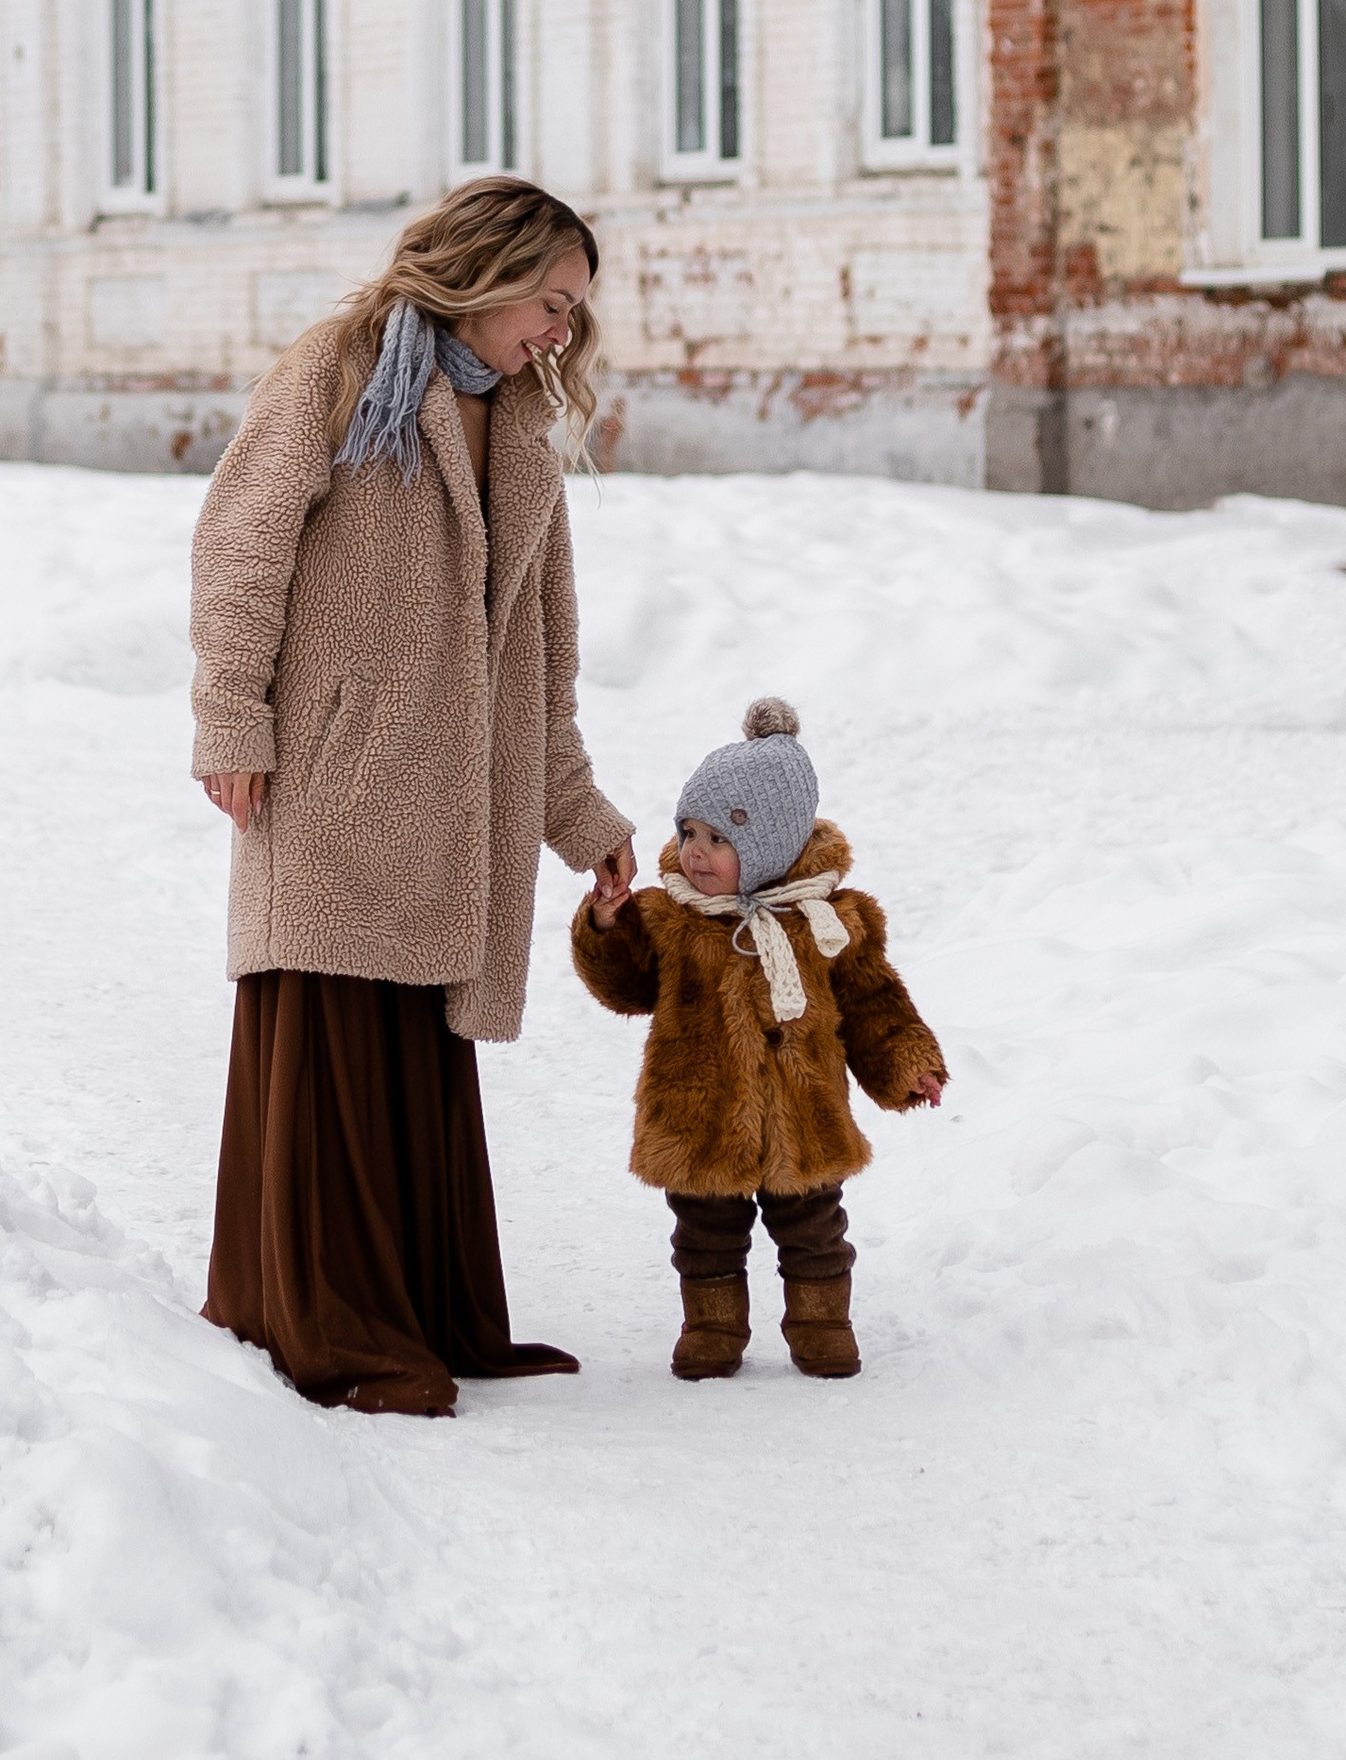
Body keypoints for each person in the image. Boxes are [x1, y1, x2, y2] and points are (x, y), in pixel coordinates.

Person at [190, 179, 635, 1417]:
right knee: (332, 1041)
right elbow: (239, 546)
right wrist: (231, 717)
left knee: (414, 1055)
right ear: (488, 275)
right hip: (333, 779)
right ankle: (329, 1327)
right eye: (550, 302)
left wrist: (580, 818)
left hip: (451, 805)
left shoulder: (523, 426)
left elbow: (539, 655)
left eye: (573, 311)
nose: (559, 331)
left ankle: (424, 1316)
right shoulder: (339, 371)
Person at [569, 698, 947, 1382]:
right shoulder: (670, 917)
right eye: (689, 830)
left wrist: (907, 1064)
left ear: (771, 843)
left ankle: (822, 1325)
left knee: (815, 1229)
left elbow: (873, 1003)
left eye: (720, 838)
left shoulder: (829, 921)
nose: (695, 851)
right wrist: (607, 926)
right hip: (700, 1112)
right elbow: (625, 987)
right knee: (704, 1232)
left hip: (803, 1112)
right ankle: (712, 1327)